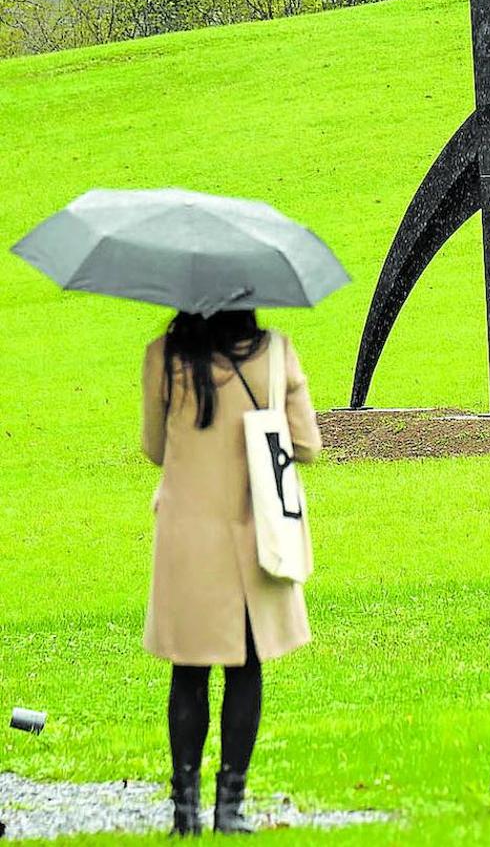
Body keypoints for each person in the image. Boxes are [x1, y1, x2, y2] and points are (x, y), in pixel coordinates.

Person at [141, 310, 322, 837]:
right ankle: (230, 807)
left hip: (185, 538)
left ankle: (184, 812)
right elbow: (307, 445)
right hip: (251, 533)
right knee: (246, 668)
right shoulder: (274, 354)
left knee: (188, 670)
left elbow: (155, 449)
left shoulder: (164, 357)